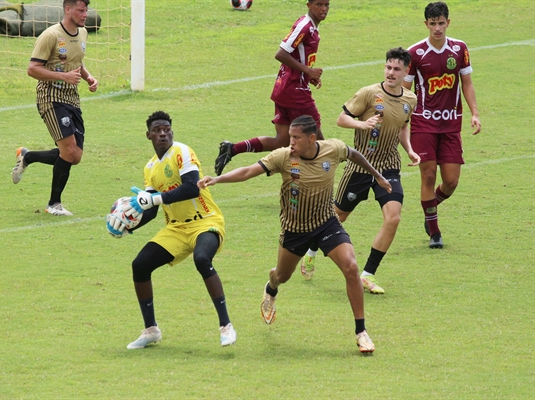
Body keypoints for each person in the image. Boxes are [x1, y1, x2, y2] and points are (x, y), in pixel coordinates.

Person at [199, 115, 392, 354]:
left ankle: (361, 332)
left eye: (296, 137)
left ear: (312, 138)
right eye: (290, 136)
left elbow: (355, 155)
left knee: (351, 267)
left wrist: (378, 176)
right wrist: (217, 179)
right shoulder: (283, 157)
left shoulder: (332, 149)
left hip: (326, 224)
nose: (290, 142)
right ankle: (271, 288)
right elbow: (249, 171)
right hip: (295, 231)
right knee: (282, 276)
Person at [108, 111, 236, 349]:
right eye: (157, 130)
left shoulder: (182, 152)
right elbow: (151, 209)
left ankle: (226, 326)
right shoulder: (150, 168)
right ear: (148, 135)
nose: (163, 133)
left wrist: (154, 200)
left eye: (166, 128)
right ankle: (151, 330)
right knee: (140, 265)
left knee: (201, 258)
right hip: (176, 229)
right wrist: (129, 225)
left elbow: (191, 189)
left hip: (206, 222)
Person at [300, 48, 419, 295]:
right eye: (388, 67)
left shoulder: (410, 99)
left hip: (388, 166)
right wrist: (361, 123)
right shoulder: (369, 93)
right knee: (335, 218)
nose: (391, 73)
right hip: (360, 166)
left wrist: (409, 149)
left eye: (397, 69)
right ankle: (311, 251)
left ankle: (367, 275)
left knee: (393, 218)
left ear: (406, 71)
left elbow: (403, 127)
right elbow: (341, 119)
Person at [214, 0, 330, 176]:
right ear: (309, 5)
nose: (323, 9)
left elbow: (296, 56)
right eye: (319, 5)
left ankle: (232, 149)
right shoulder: (305, 27)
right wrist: (308, 70)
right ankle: (318, 182)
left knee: (281, 141)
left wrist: (308, 75)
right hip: (295, 92)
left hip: (285, 89)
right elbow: (281, 53)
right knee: (319, 141)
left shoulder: (311, 27)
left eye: (327, 5)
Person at [402, 1, 481, 248]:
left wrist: (474, 113)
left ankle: (430, 210)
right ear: (426, 24)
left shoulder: (459, 49)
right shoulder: (414, 53)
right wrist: (402, 124)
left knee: (451, 181)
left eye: (441, 23)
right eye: (433, 23)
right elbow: (405, 91)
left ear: (448, 22)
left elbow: (466, 83)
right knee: (428, 176)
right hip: (423, 124)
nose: (437, 28)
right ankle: (435, 233)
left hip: (450, 125)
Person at [11, 0, 99, 216]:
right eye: (81, 10)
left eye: (86, 10)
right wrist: (63, 76)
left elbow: (77, 62)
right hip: (50, 97)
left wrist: (88, 78)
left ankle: (28, 157)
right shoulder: (50, 35)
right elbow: (32, 69)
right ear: (67, 9)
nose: (85, 14)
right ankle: (54, 205)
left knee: (75, 156)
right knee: (68, 151)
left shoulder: (83, 33)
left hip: (72, 98)